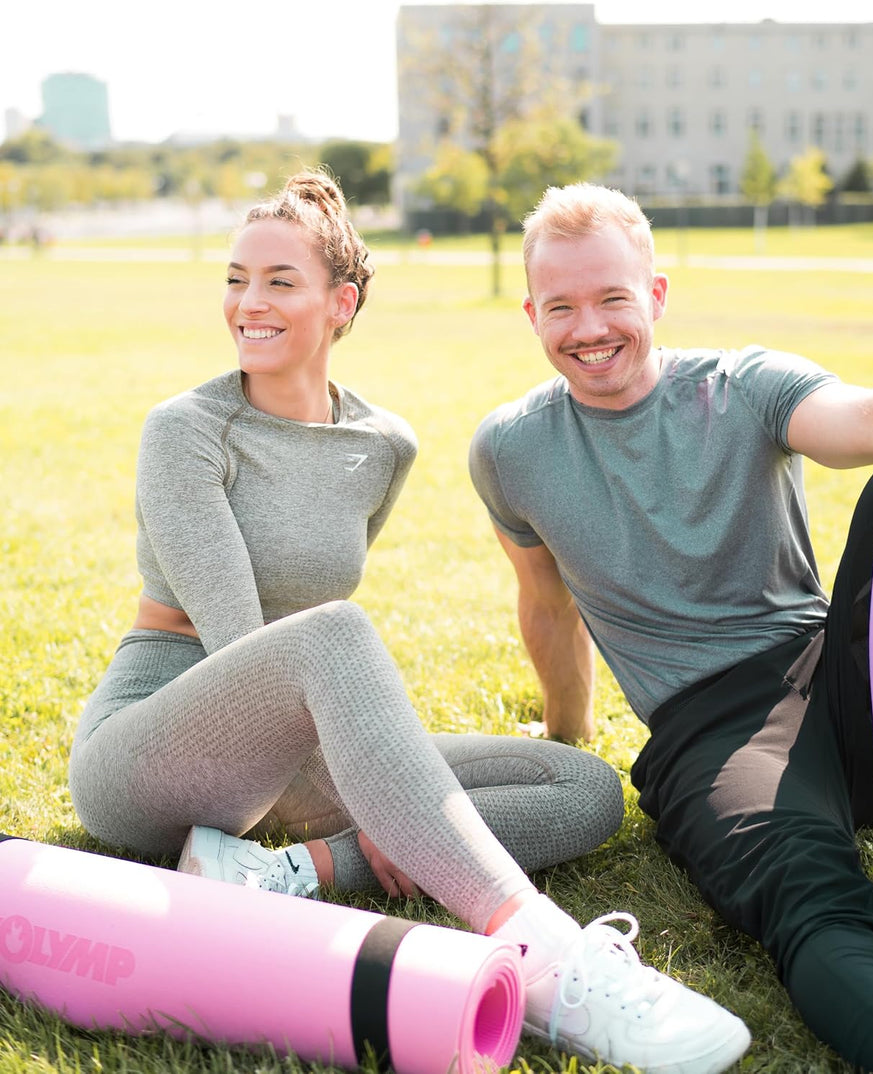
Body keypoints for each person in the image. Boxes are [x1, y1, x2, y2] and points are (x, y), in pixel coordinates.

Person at [66, 170, 752, 1074]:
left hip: (290, 764)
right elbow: (239, 646)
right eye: (236, 278)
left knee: (584, 788)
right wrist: (392, 795)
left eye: (279, 280)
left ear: (340, 302)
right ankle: (549, 957)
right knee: (336, 634)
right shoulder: (186, 430)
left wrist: (388, 804)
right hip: (154, 746)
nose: (247, 303)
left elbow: (314, 656)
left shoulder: (383, 444)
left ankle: (287, 873)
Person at [468, 182, 873, 1074]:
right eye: (561, 306)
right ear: (531, 313)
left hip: (840, 671)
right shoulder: (509, 450)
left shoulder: (742, 384)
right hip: (711, 733)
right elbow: (546, 598)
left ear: (657, 295)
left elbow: (869, 417)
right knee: (810, 898)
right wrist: (567, 732)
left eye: (612, 298)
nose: (587, 326)